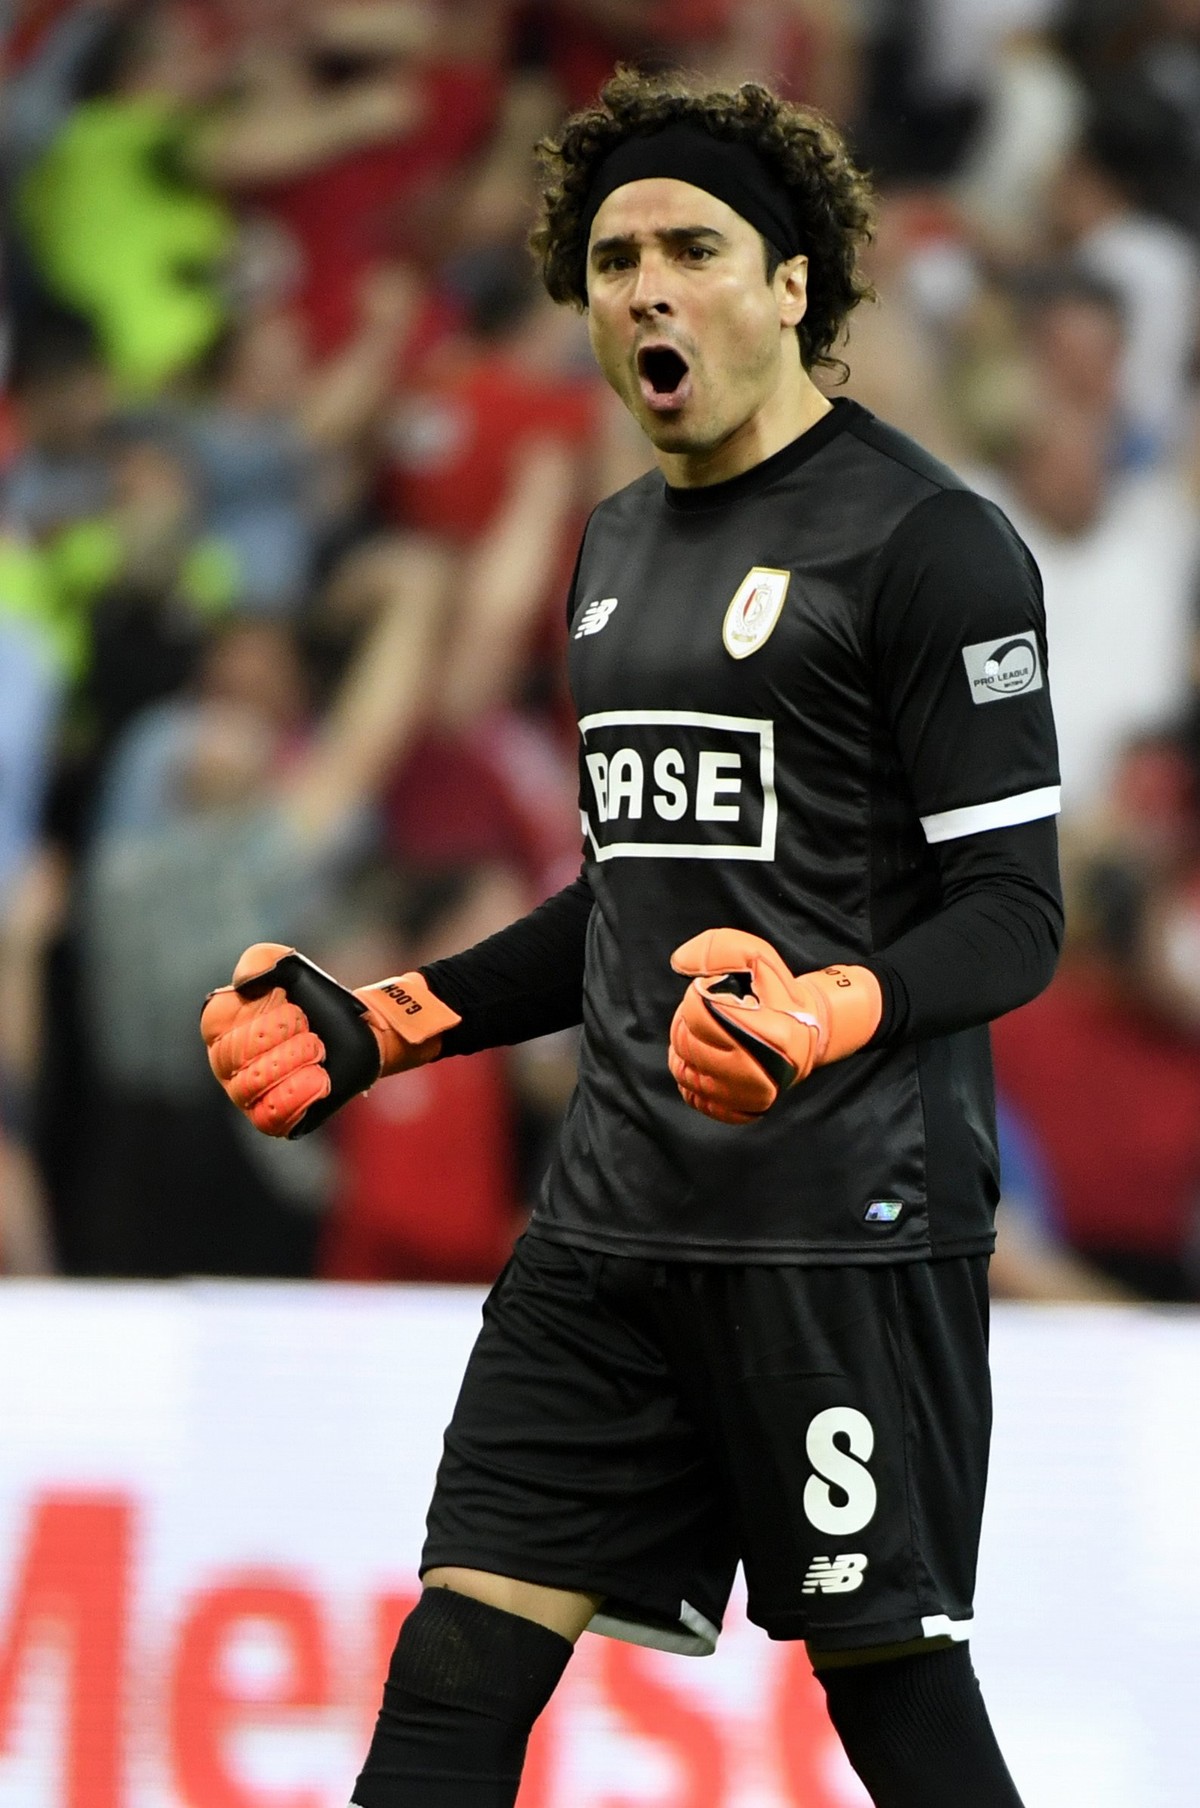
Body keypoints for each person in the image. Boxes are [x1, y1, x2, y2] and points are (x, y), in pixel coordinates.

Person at [201, 69, 1064, 1808]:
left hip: (842, 1239)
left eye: (692, 250)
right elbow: (632, 901)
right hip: (609, 1228)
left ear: (793, 285)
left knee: (898, 1708)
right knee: (452, 1670)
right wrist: (396, 1020)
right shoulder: (610, 548)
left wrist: (830, 1010)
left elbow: (1014, 915)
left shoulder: (932, 546)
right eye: (612, 261)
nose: (647, 289)